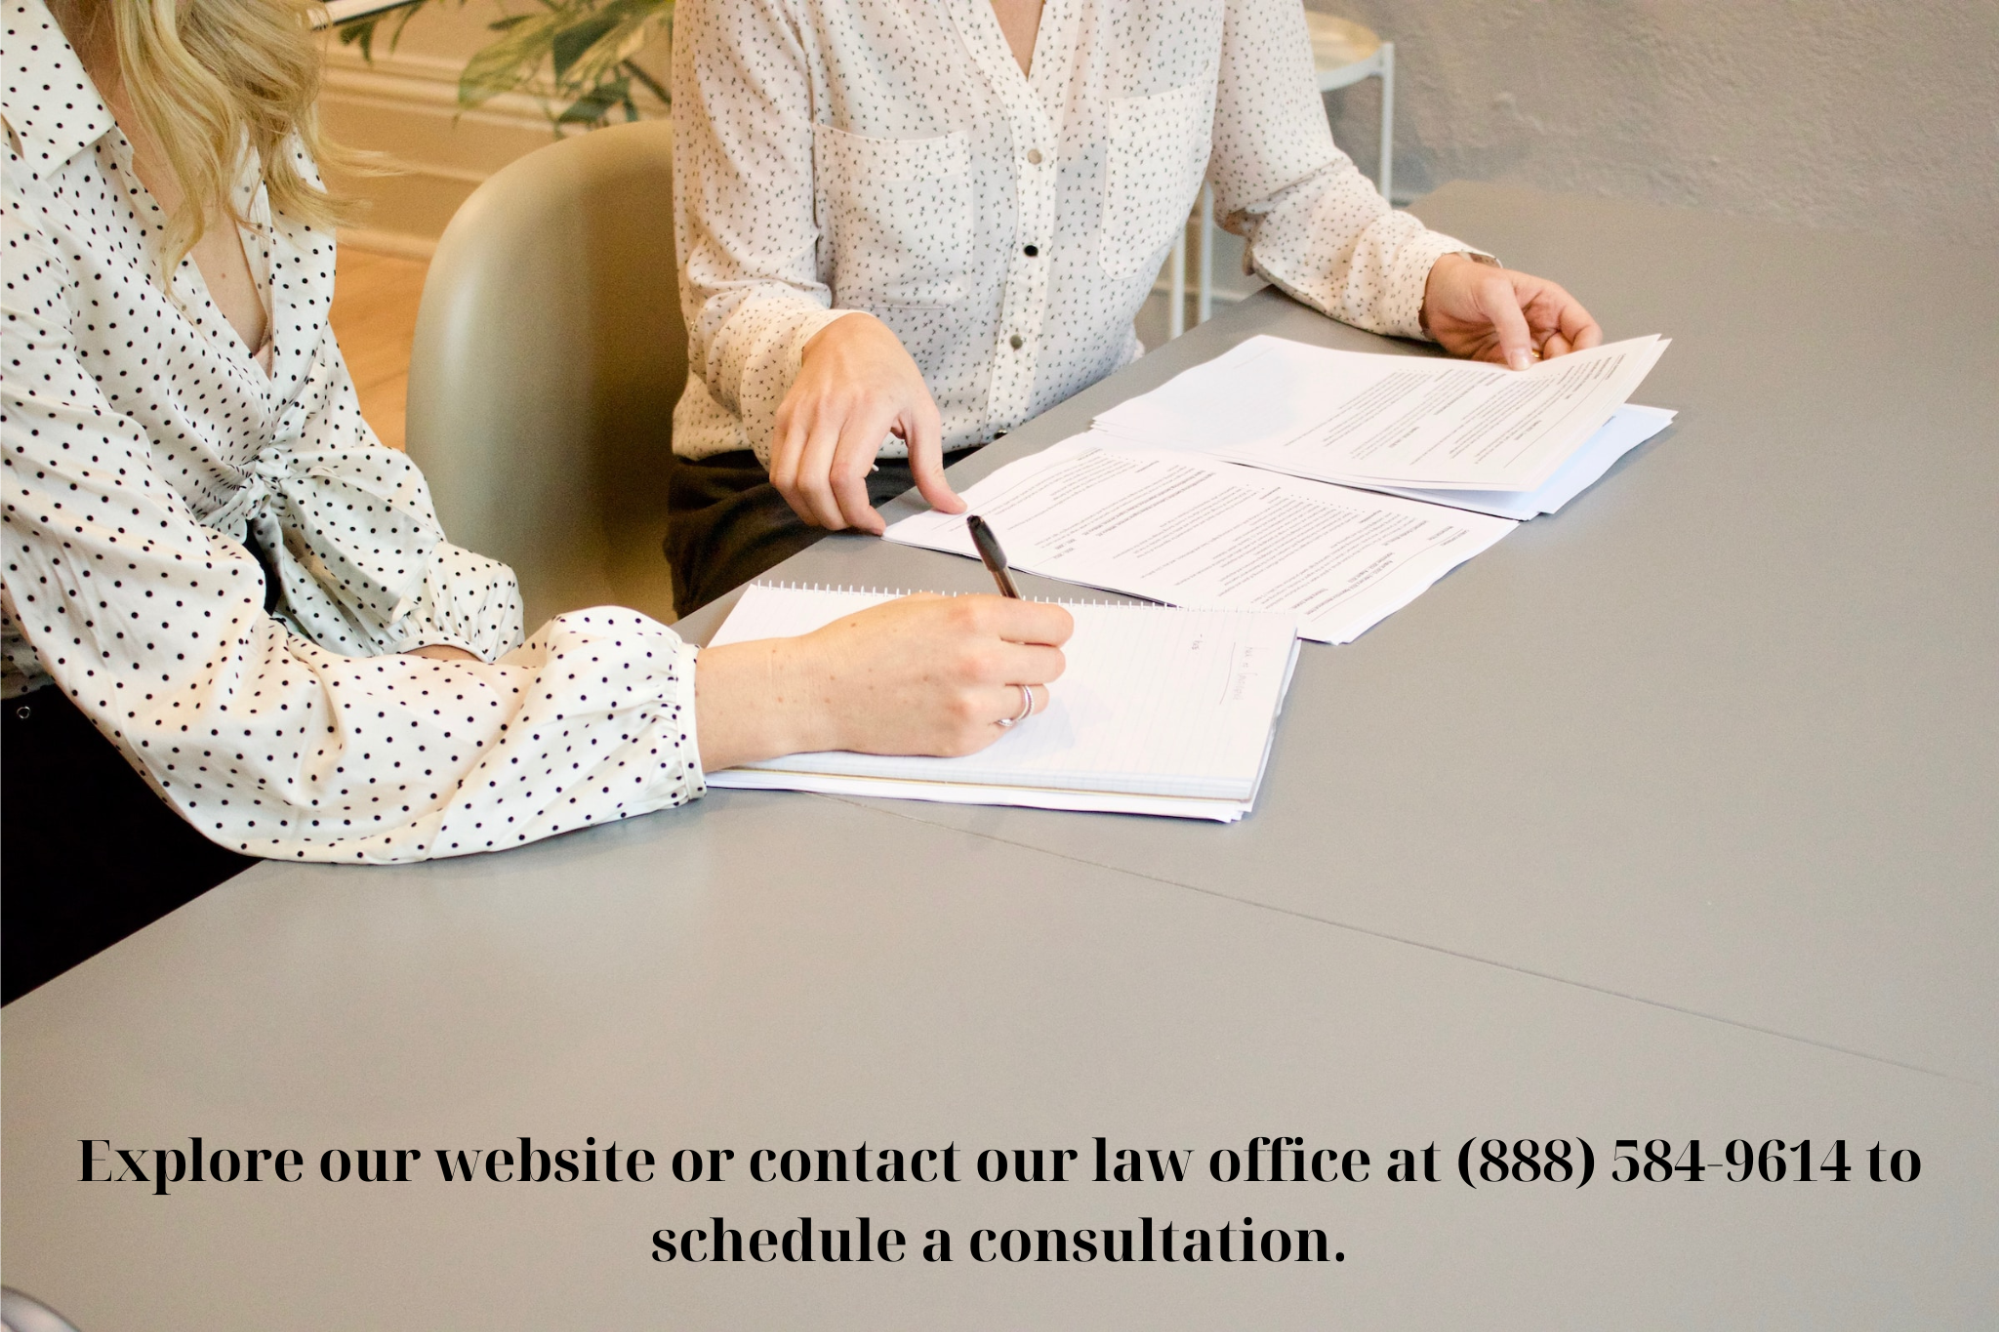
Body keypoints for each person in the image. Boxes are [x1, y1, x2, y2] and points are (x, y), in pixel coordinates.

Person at [0, 0, 1071, 1003]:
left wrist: (453, 663)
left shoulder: (219, 48)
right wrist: (798, 693)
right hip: (72, 787)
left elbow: (324, 468)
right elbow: (229, 717)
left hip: (260, 687)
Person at [666, 0, 1605, 613]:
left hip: (1075, 462)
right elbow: (737, 293)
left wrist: (1434, 279)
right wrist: (827, 340)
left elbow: (1289, 184)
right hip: (810, 494)